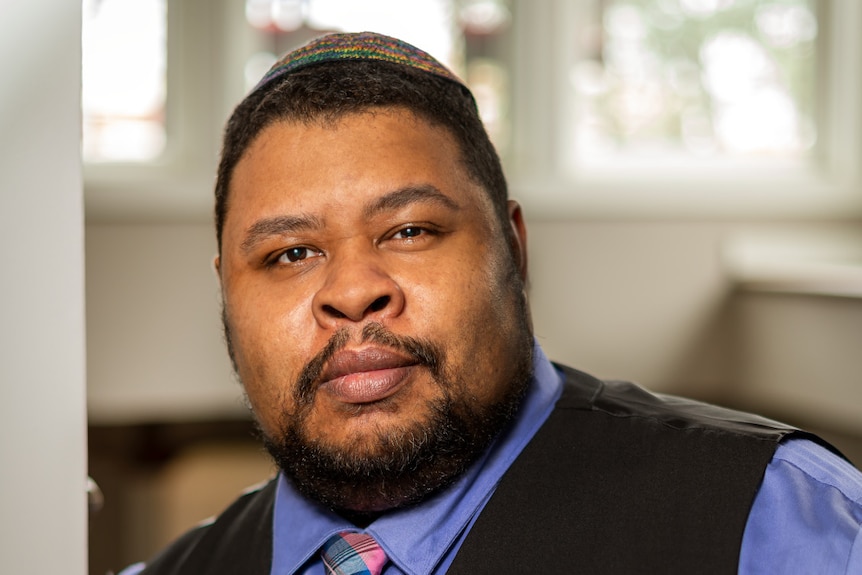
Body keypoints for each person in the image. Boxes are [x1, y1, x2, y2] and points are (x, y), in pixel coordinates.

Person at [122, 32, 862, 574]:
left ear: (513, 249)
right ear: (225, 290)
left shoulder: (778, 523)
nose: (352, 291)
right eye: (289, 253)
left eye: (410, 229)